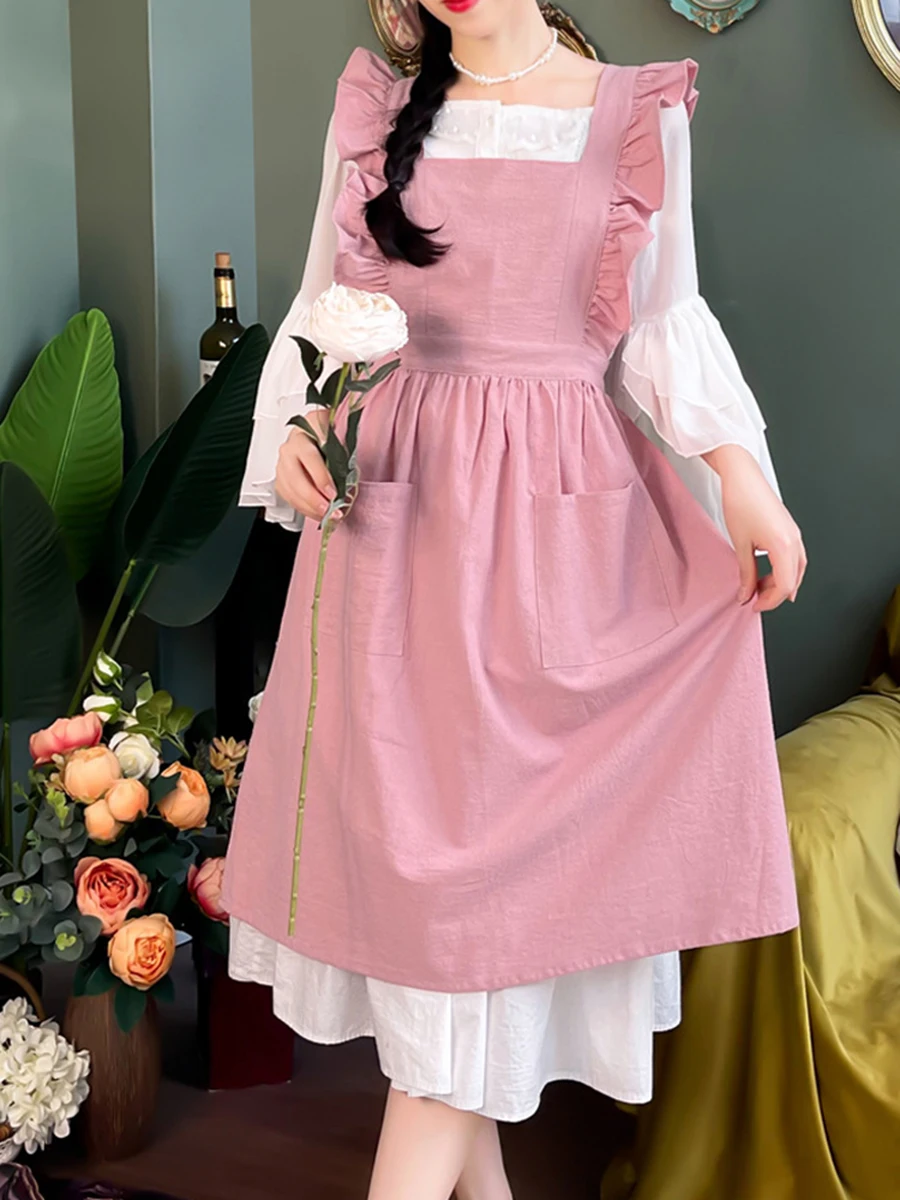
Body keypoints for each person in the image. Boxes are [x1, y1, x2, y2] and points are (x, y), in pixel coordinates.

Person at [221, 2, 807, 1197]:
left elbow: (664, 322)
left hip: (563, 555)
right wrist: (294, 431)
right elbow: (323, 315)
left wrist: (747, 484)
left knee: (475, 969)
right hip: (393, 545)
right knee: (443, 954)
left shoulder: (632, 115)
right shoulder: (376, 115)